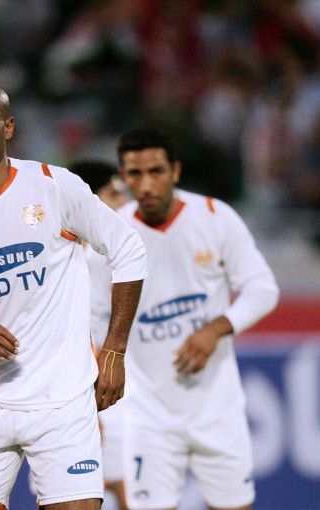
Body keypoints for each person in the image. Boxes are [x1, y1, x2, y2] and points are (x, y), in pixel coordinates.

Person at [0, 81, 147, 510]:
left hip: (63, 402)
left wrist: (114, 349)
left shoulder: (54, 185)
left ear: (8, 127)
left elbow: (129, 249)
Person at [115, 128, 279, 510]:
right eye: (135, 174)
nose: (146, 184)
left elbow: (262, 288)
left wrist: (215, 329)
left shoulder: (215, 217)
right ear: (123, 177)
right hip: (148, 415)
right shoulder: (113, 232)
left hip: (217, 410)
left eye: (156, 171)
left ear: (175, 171)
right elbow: (91, 314)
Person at [69, 160, 130, 510]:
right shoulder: (89, 254)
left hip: (106, 379)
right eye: (114, 194)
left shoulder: (110, 247)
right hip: (88, 382)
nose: (125, 202)